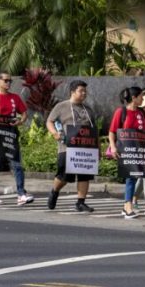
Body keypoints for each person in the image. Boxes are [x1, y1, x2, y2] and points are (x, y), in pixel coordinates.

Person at [0, 72, 34, 207]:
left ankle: (21, 194)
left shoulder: (15, 97)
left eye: (10, 81)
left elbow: (24, 113)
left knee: (17, 164)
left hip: (11, 134)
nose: (8, 83)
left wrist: (20, 121)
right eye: (5, 80)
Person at [46, 80, 97, 213]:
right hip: (66, 147)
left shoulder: (89, 110)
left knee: (85, 175)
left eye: (85, 91)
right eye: (81, 91)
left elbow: (94, 130)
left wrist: (97, 149)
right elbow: (49, 121)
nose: (84, 94)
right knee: (64, 177)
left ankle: (81, 202)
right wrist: (54, 133)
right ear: (72, 92)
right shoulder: (61, 106)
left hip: (86, 149)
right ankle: (55, 191)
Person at [108, 86, 145, 219]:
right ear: (134, 98)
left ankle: (126, 206)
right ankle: (128, 206)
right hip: (127, 150)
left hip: (141, 150)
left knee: (136, 177)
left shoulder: (142, 113)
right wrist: (113, 147)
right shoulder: (121, 112)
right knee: (131, 177)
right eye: (141, 96)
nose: (143, 99)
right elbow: (112, 131)